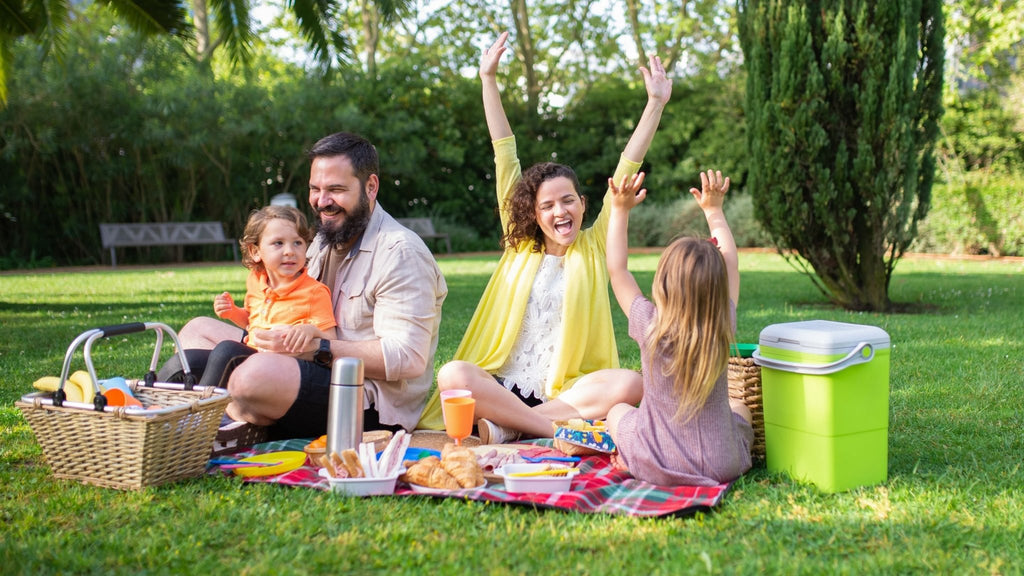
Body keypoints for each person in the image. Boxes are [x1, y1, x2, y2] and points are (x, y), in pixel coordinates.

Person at [421, 31, 672, 444]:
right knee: (453, 373)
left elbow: (629, 165)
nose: (561, 211)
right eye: (548, 206)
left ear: (583, 204)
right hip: (501, 383)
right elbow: (504, 151)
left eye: (568, 201)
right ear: (533, 215)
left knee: (630, 383)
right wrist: (488, 80)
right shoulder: (519, 243)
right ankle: (548, 430)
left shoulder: (594, 247)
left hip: (565, 394)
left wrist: (655, 104)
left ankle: (506, 427)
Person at [161, 132, 448, 444]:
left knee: (251, 376)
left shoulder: (400, 252)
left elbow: (408, 358)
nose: (322, 201)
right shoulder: (323, 239)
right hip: (296, 360)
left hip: (364, 399)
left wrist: (317, 349)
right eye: (315, 189)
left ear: (370, 187)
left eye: (336, 190)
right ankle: (233, 413)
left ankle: (226, 418)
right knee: (196, 331)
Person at [604, 169, 753, 486]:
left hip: (655, 460)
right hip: (720, 464)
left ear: (663, 284)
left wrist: (619, 211)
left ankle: (628, 459)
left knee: (617, 412)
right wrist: (714, 211)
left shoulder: (649, 324)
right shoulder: (722, 321)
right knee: (740, 407)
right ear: (717, 288)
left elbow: (617, 271)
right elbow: (731, 264)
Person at [193, 205, 337, 392]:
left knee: (226, 351)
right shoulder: (256, 280)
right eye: (278, 243)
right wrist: (232, 312)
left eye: (297, 243)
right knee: (191, 360)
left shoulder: (314, 292)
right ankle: (154, 407)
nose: (290, 251)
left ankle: (198, 413)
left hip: (283, 368)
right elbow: (251, 322)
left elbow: (330, 337)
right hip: (254, 355)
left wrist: (309, 330)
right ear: (255, 251)